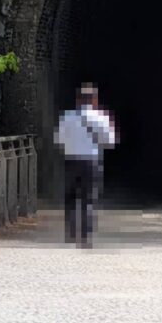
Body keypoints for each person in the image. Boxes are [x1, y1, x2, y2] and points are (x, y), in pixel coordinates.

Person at [55, 83, 117, 248]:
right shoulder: (101, 118)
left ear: (78, 99)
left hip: (71, 161)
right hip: (91, 161)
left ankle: (70, 234)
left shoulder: (67, 117)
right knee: (88, 199)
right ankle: (85, 237)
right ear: (94, 100)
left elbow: (60, 140)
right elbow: (109, 141)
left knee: (70, 198)